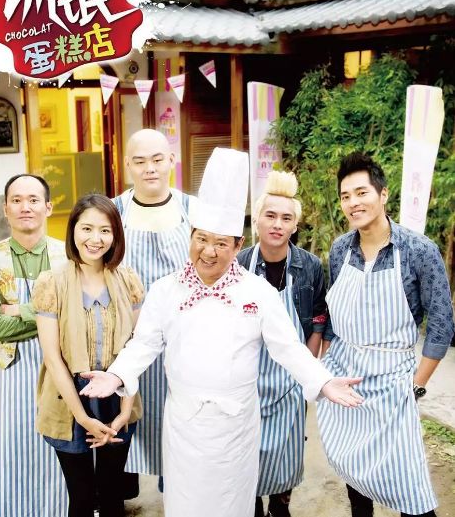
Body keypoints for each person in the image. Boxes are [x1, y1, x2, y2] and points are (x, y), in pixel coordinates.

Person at [80, 148, 363, 517]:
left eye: (221, 243)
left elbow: (289, 348)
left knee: (232, 503)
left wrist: (323, 381)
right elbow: (145, 343)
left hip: (236, 425)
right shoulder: (166, 290)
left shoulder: (257, 292)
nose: (209, 251)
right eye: (201, 239)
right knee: (186, 504)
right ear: (191, 236)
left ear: (238, 245)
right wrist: (117, 374)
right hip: (184, 423)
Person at [317, 152, 455, 517]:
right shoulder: (340, 249)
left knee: (409, 486)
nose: (353, 203)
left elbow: (442, 323)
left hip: (394, 381)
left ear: (383, 194)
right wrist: (326, 366)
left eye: (361, 192)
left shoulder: (418, 251)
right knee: (353, 468)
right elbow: (334, 314)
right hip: (347, 376)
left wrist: (416, 385)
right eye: (345, 196)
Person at [32, 194, 144, 517]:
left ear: (115, 235)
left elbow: (136, 349)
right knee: (80, 499)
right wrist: (82, 418)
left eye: (105, 230)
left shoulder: (128, 280)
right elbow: (53, 358)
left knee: (112, 495)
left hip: (118, 397)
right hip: (68, 402)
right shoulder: (51, 283)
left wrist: (124, 414)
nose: (96, 239)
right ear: (73, 230)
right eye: (87, 229)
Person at [0, 174, 68, 517]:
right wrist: (49, 314)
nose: (25, 207)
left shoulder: (67, 256)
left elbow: (75, 315)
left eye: (33, 199)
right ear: (5, 209)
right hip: (12, 372)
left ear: (48, 207)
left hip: (61, 367)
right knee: (13, 451)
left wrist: (20, 311)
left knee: (59, 451)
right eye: (17, 200)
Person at [238, 170, 327, 517]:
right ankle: (252, 506)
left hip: (291, 379)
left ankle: (280, 504)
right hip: (246, 377)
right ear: (257, 220)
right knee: (247, 451)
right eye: (270, 215)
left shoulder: (309, 266)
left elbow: (317, 319)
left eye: (286, 218)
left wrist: (306, 370)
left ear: (295, 225)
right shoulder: (239, 264)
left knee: (285, 454)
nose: (277, 224)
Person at [112, 128, 196, 492]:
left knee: (179, 420)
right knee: (123, 413)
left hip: (183, 336)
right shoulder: (112, 211)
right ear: (127, 165)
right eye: (140, 161)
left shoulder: (192, 208)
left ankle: (173, 490)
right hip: (125, 336)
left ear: (171, 161)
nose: (150, 168)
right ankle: (116, 493)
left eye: (158, 159)